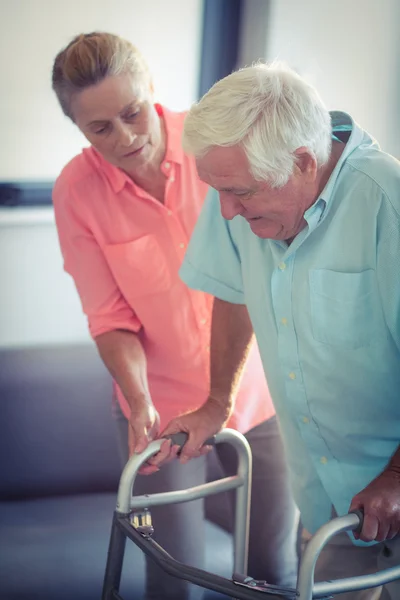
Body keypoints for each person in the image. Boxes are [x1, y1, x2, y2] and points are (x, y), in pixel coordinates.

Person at [51, 34, 299, 600]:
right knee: (173, 574)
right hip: (159, 410)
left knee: (272, 568)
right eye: (100, 128)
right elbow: (109, 315)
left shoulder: (216, 145)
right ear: (80, 130)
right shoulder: (76, 191)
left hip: (260, 396)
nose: (126, 137)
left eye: (132, 113)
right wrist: (139, 402)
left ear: (152, 90)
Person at [156, 62, 400, 600]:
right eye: (217, 190)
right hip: (326, 500)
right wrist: (218, 400)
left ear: (304, 162)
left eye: (240, 193)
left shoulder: (388, 202)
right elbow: (233, 292)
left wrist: (396, 477)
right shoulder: (236, 189)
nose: (225, 210)